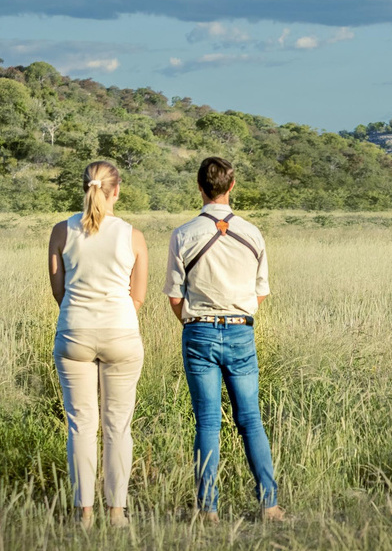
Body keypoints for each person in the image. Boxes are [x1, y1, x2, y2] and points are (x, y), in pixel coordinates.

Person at [163, 156, 283, 523]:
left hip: (199, 330)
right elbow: (260, 291)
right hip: (240, 329)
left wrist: (192, 322)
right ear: (232, 187)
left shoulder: (183, 234)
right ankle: (270, 505)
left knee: (207, 422)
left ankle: (208, 510)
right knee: (250, 420)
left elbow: (174, 295)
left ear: (200, 187)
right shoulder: (253, 233)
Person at [47, 161, 148, 528]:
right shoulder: (132, 235)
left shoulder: (61, 231)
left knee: (81, 424)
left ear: (84, 188)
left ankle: (84, 513)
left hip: (74, 331)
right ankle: (117, 512)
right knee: (118, 425)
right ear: (116, 190)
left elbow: (59, 291)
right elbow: (138, 296)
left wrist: (81, 316)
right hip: (121, 332)